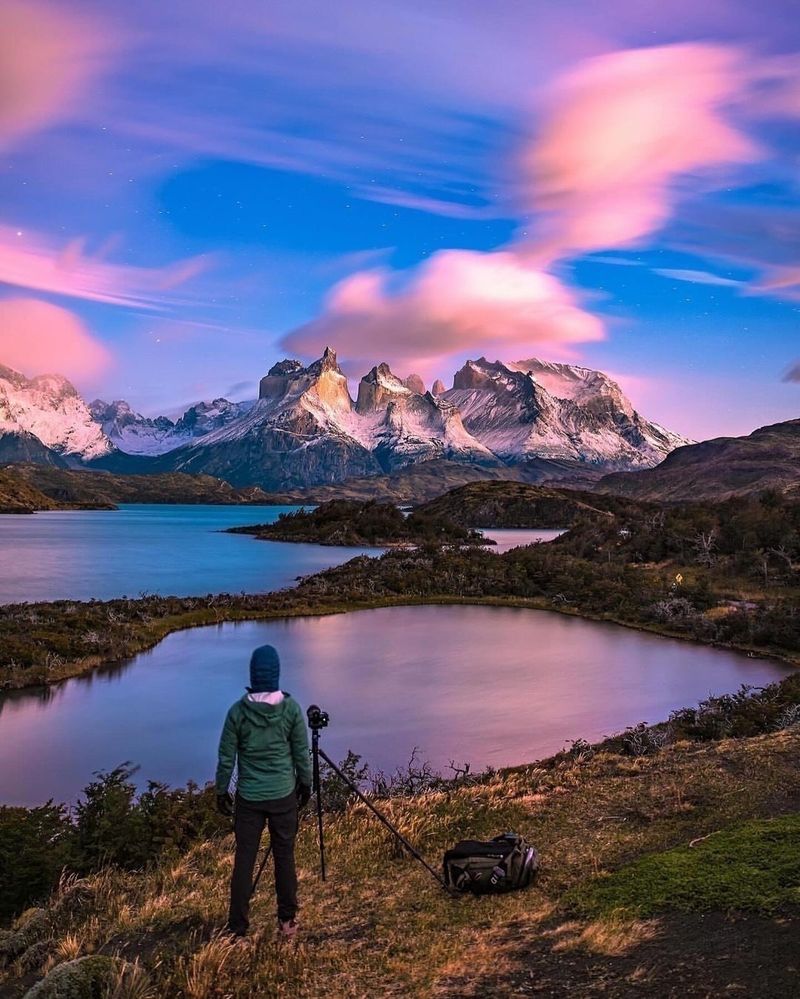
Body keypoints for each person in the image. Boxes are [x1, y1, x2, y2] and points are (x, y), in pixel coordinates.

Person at [216, 644, 312, 939]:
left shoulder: (238, 713)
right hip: (283, 795)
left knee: (244, 860)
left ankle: (238, 927)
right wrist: (305, 784)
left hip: (249, 798)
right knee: (285, 857)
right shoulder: (291, 710)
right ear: (276, 674)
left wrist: (221, 790)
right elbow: (301, 753)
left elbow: (226, 757)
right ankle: (287, 922)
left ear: (253, 675)